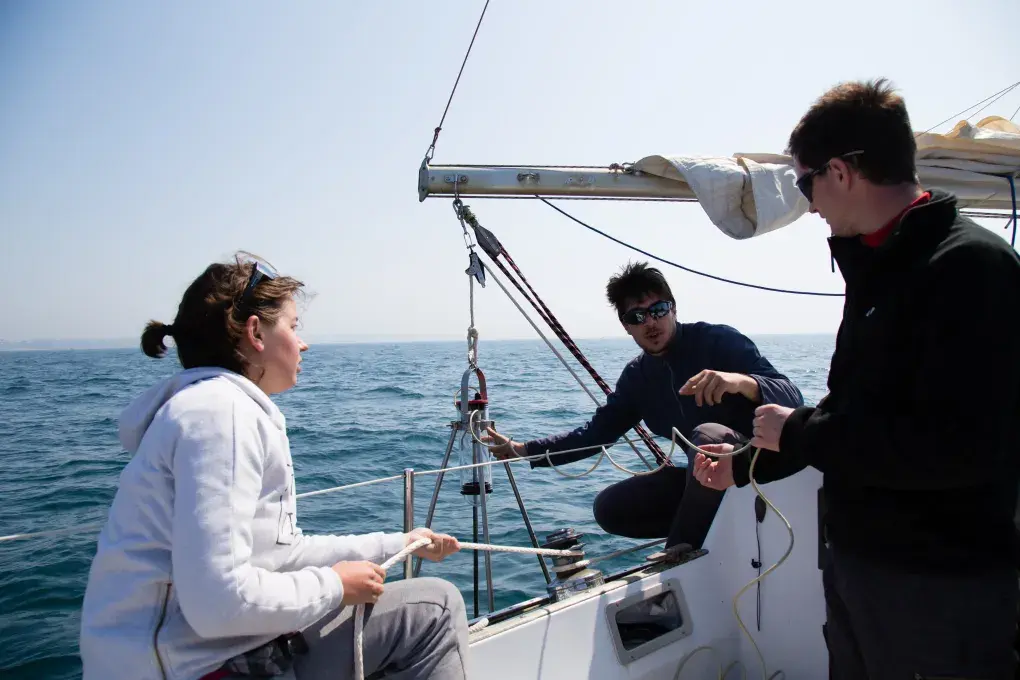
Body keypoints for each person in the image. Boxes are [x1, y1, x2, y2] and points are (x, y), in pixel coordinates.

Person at [693, 79, 1020, 679]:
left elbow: (960, 448)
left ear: (840, 172)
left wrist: (799, 430)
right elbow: (856, 415)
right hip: (866, 575)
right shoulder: (880, 266)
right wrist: (747, 465)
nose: (810, 205)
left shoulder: (970, 268)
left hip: (938, 593)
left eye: (805, 184)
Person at [79, 253, 469, 680]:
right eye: (293, 327)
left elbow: (282, 555)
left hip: (205, 656)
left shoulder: (210, 409)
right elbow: (217, 603)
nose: (303, 344)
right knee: (434, 611)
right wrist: (335, 586)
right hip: (199, 669)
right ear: (255, 333)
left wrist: (400, 543)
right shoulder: (222, 415)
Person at [483, 261, 804, 552]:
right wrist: (524, 450)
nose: (650, 322)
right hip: (703, 484)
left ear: (674, 308)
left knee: (707, 437)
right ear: (626, 326)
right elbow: (595, 435)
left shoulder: (718, 341)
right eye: (637, 316)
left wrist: (741, 382)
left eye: (658, 309)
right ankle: (708, 531)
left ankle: (681, 551)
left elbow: (792, 398)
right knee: (610, 508)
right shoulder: (638, 378)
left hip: (756, 469)